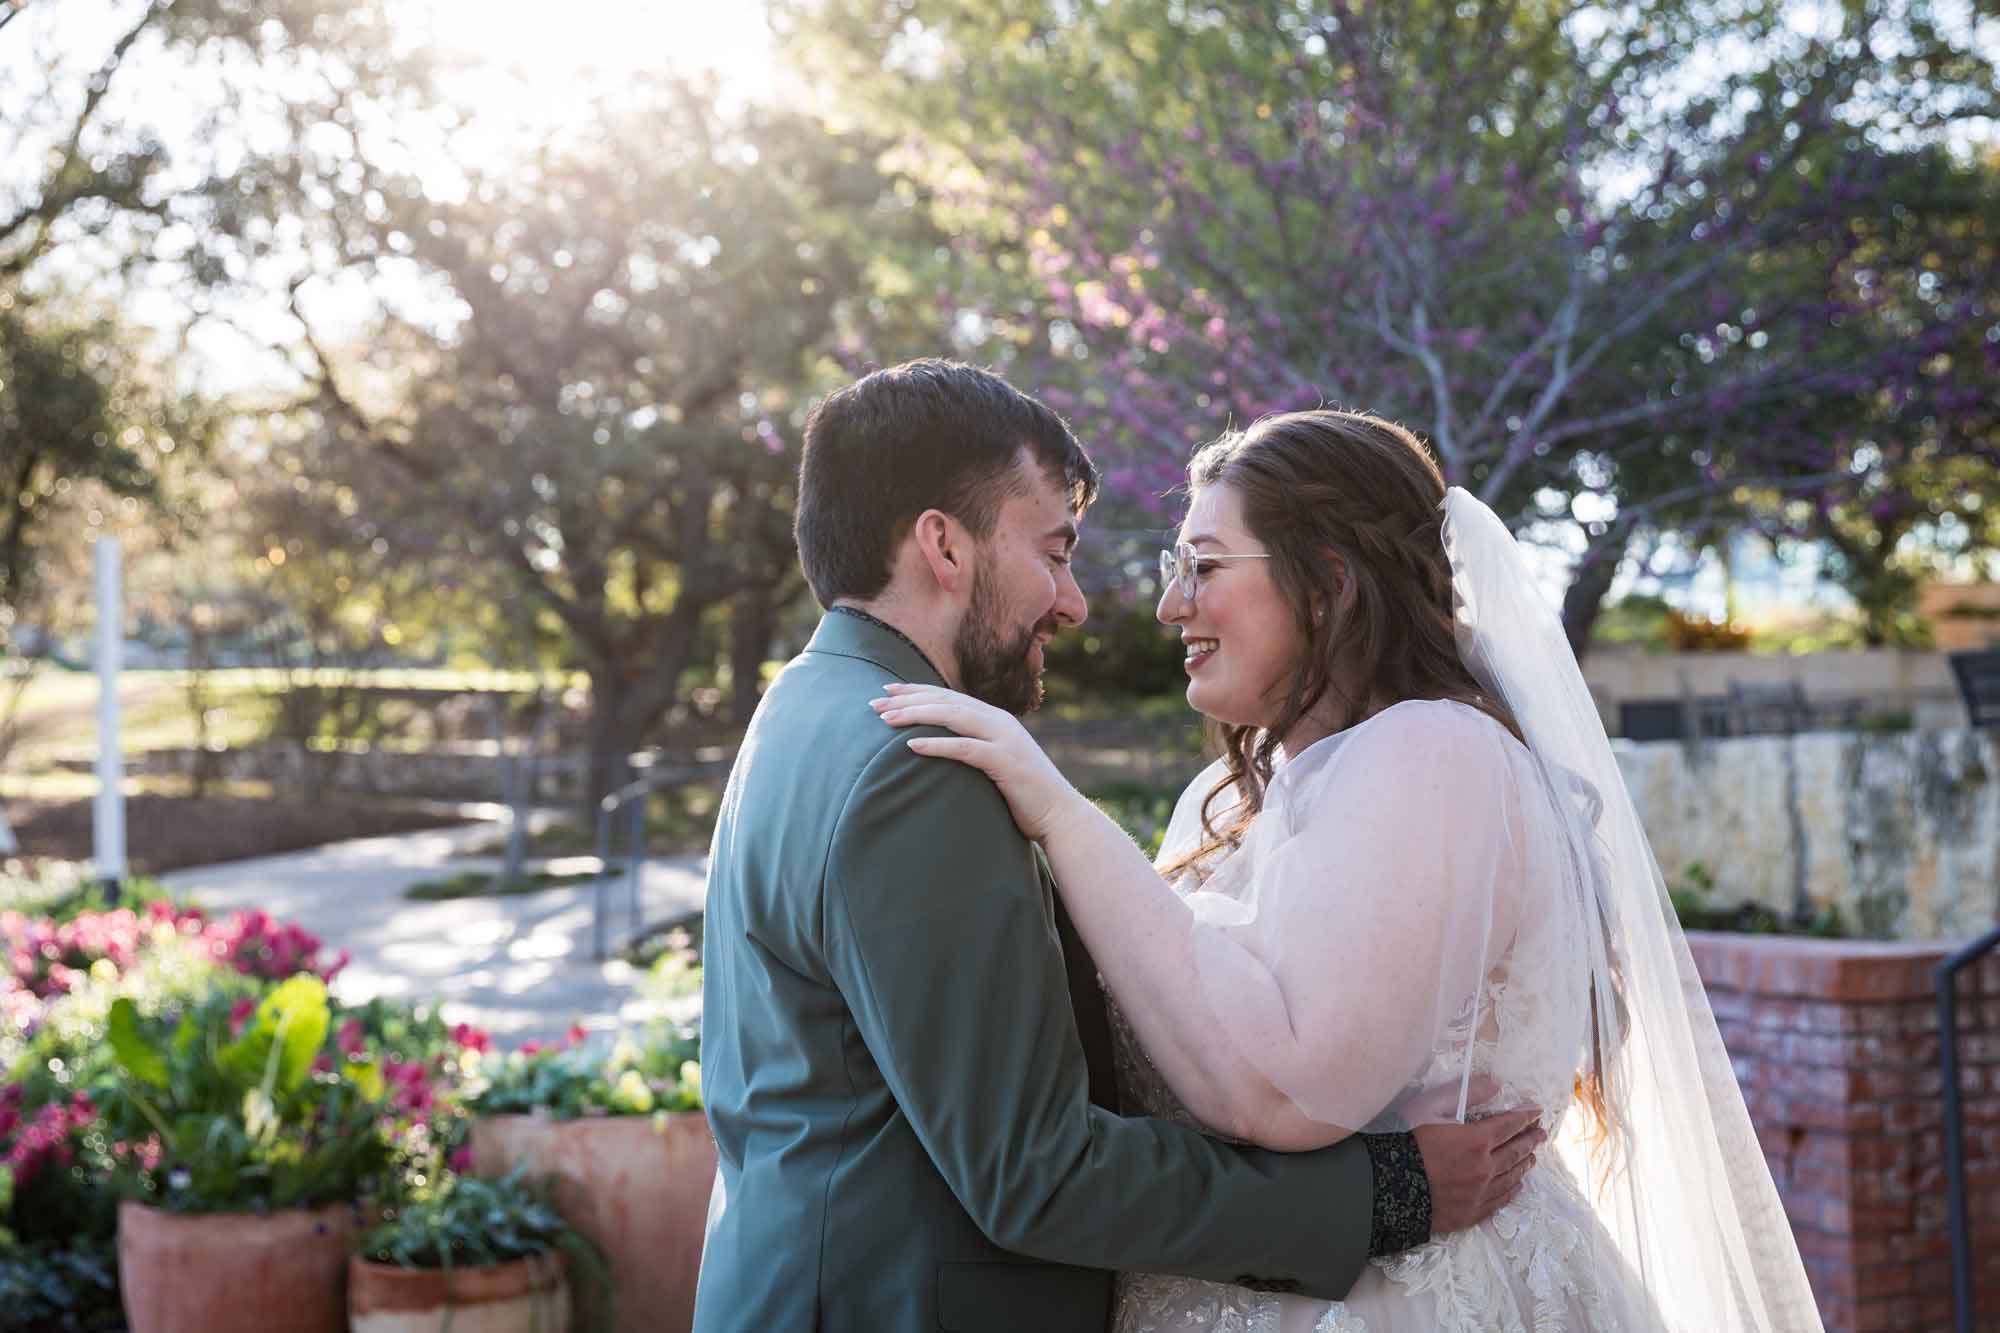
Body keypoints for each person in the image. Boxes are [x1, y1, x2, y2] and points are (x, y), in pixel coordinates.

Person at [875, 408, 1826, 1332]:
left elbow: (1286, 1091)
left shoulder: (1435, 753)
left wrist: (1061, 816)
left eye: (1203, 566)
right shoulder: (1227, 797)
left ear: (1326, 580)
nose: (1172, 605)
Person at [693, 365, 1543, 1333]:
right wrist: (1385, 1192)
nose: (1076, 602)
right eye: (1053, 551)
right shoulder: (915, 760)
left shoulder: (810, 709)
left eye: (1202, 566)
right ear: (942, 544)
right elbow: (1032, 1171)